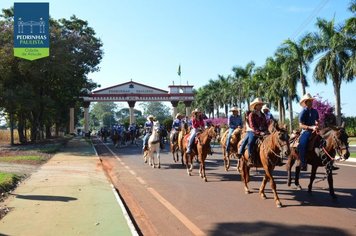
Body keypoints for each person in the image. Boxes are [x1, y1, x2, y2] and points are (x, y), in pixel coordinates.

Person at [298, 93, 319, 171]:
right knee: (303, 143)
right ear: (305, 102)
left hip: (315, 130)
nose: (310, 102)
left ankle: (330, 161)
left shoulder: (315, 111)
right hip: (306, 131)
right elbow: (301, 125)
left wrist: (317, 124)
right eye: (308, 101)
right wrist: (311, 127)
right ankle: (303, 163)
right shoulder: (303, 111)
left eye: (311, 101)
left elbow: (317, 120)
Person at [247, 98, 268, 166]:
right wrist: (259, 132)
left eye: (261, 104)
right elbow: (252, 126)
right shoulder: (251, 114)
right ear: (255, 106)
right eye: (259, 105)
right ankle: (250, 158)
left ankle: (277, 159)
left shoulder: (263, 115)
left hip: (263, 131)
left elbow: (265, 124)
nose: (261, 106)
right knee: (251, 143)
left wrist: (266, 131)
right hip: (253, 132)